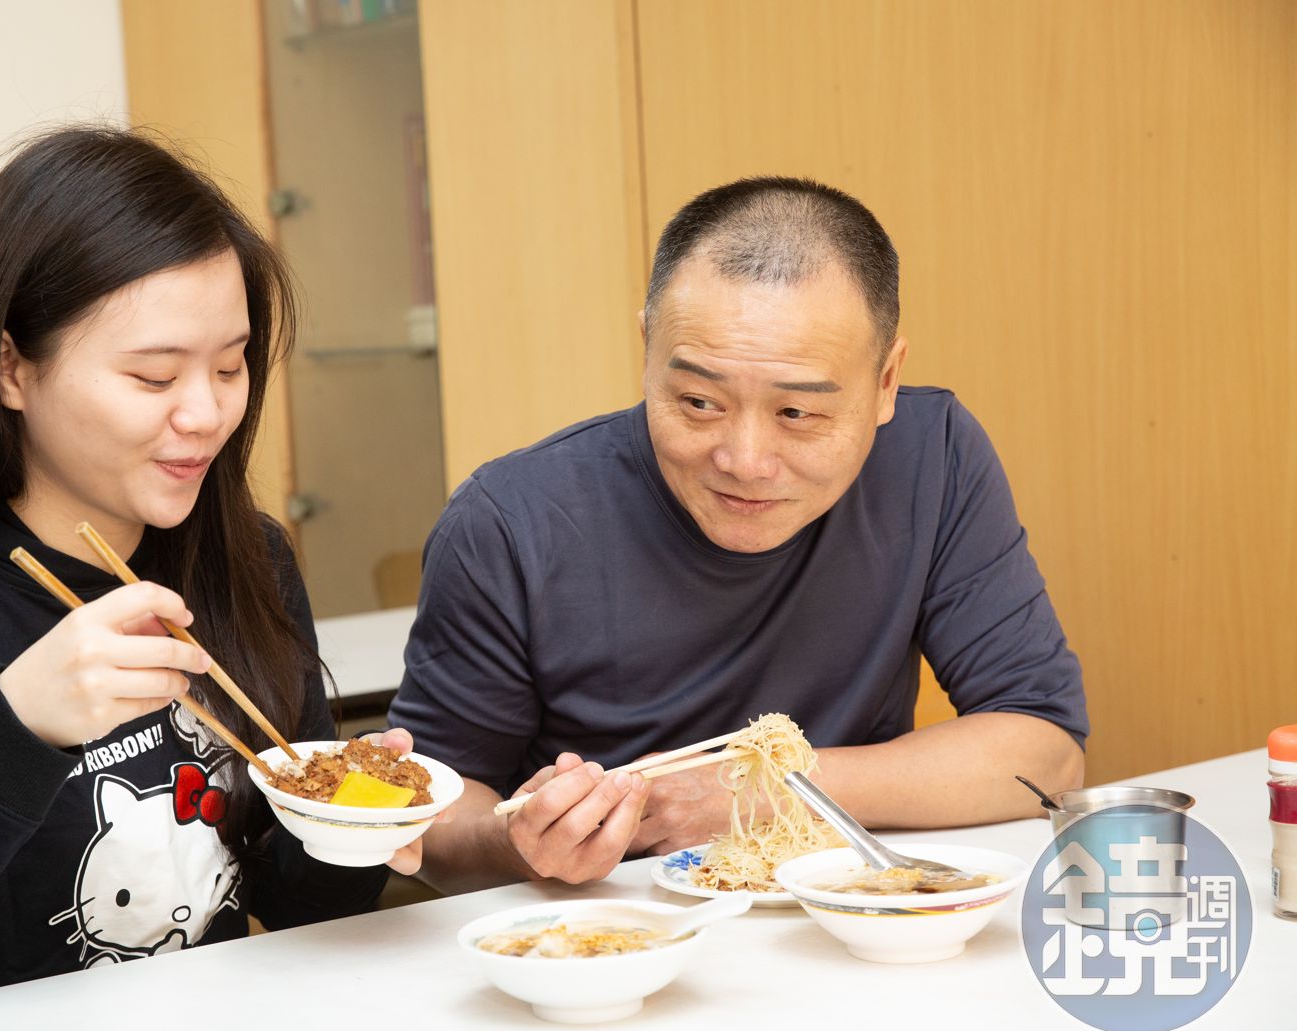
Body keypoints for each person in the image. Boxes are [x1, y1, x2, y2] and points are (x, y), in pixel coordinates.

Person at [0, 126, 423, 1030]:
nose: (207, 412)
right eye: (154, 376)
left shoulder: (243, 557)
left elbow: (298, 908)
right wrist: (14, 725)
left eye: (230, 365)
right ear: (11, 367)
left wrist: (355, 830)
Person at [389, 177, 1088, 891]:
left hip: (850, 911)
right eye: (700, 402)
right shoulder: (511, 520)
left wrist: (768, 788)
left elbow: (1046, 753)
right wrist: (519, 846)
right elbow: (430, 813)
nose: (745, 462)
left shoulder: (931, 456)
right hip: (613, 926)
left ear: (886, 382)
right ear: (648, 350)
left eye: (797, 414)